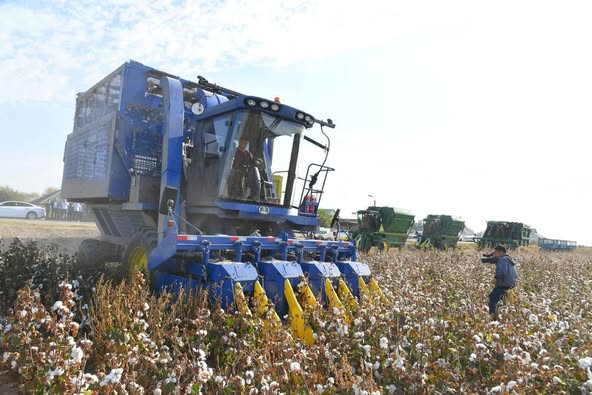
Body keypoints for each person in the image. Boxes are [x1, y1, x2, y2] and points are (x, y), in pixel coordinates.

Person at [486, 245, 518, 320]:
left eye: (495, 252)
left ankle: (492, 317)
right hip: (509, 284)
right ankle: (502, 317)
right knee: (503, 302)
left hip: (503, 284)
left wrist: (495, 278)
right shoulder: (509, 259)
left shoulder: (502, 260)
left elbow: (502, 272)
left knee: (492, 299)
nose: (494, 254)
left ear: (500, 252)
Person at [228, 136, 261, 200]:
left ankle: (254, 196)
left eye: (246, 143)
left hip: (245, 175)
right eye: (243, 142)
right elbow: (230, 164)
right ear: (239, 142)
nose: (245, 145)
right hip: (234, 174)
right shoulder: (233, 152)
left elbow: (252, 163)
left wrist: (257, 162)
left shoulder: (248, 154)